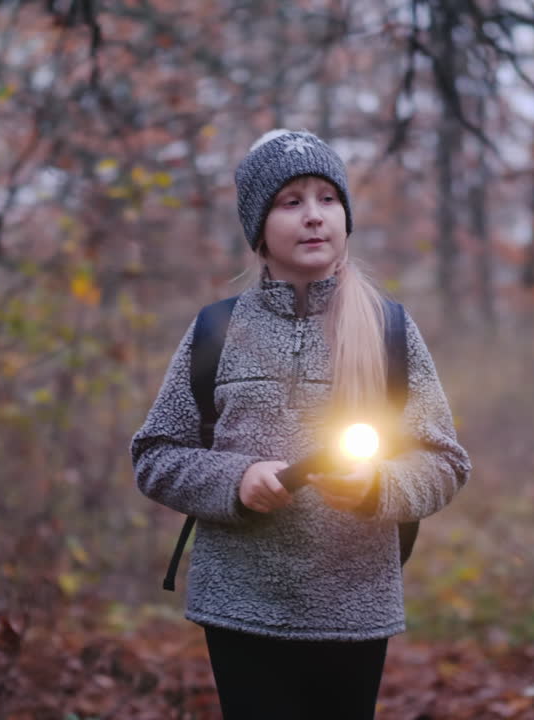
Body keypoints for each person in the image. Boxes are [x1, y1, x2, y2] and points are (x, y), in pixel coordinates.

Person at [131, 129, 472, 719]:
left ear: (346, 215)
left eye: (327, 199)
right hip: (239, 606)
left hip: (354, 607)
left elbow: (444, 461)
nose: (314, 217)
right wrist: (235, 481)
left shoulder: (389, 327)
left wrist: (378, 488)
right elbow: (155, 454)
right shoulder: (216, 330)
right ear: (259, 227)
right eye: (291, 202)